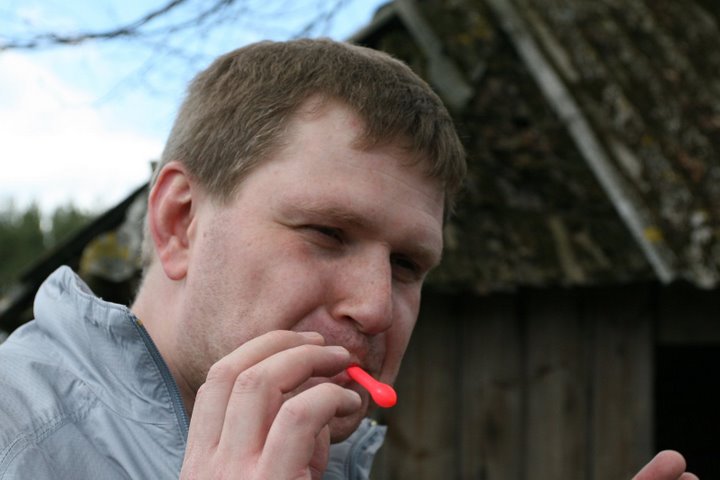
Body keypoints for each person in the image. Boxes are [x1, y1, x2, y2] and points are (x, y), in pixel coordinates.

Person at [0, 39, 697, 480]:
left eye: (408, 265)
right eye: (328, 233)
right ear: (180, 221)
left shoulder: (327, 458)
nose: (375, 306)